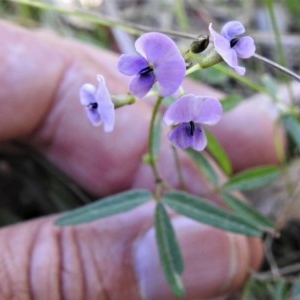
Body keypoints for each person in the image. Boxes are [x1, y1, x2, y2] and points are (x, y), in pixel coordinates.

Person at [0, 20, 283, 299]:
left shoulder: (172, 92)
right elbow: (160, 90)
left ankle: (255, 228)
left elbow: (167, 93)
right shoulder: (163, 87)